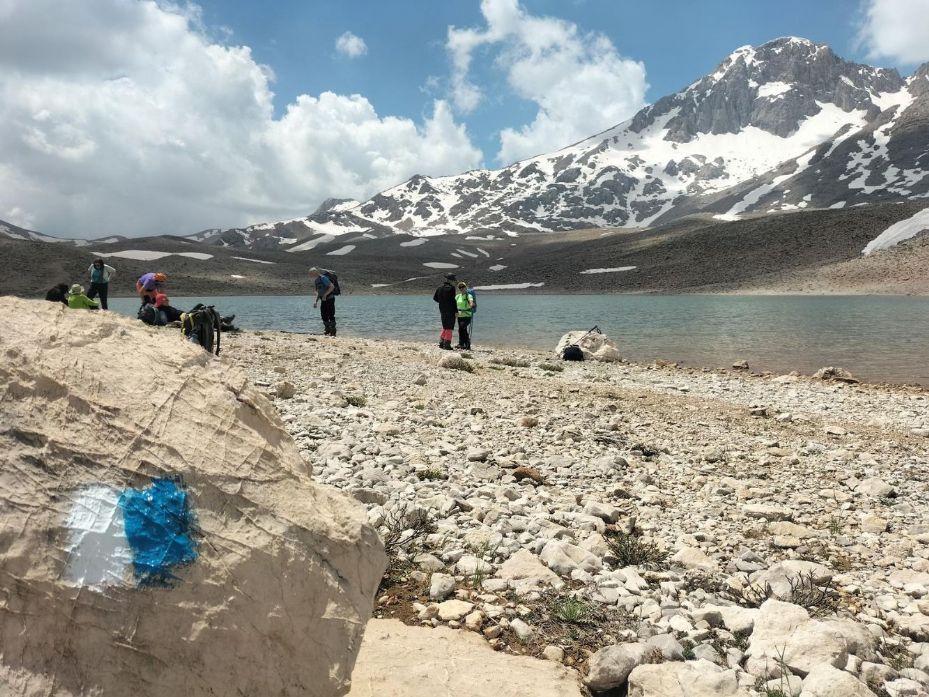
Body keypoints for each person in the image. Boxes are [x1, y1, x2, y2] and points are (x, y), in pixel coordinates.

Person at [433, 273, 457, 350]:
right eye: (453, 280)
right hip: (450, 310)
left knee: (445, 326)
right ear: (450, 280)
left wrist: (442, 303)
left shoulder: (439, 288)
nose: (454, 281)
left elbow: (435, 298)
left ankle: (441, 342)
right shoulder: (452, 288)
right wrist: (456, 311)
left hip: (442, 310)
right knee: (449, 327)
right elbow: (453, 301)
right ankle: (447, 344)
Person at [310, 267, 336, 336]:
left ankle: (333, 332)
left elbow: (332, 286)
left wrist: (325, 295)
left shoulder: (323, 278)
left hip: (330, 298)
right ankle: (327, 330)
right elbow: (318, 292)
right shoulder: (316, 281)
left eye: (311, 273)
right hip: (323, 300)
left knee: (330, 315)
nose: (311, 275)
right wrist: (316, 301)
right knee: (323, 315)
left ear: (315, 272)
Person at [455, 281, 475, 350]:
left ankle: (466, 344)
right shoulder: (457, 296)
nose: (461, 288)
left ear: (465, 287)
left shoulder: (469, 295)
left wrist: (471, 304)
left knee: (461, 328)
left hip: (467, 315)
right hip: (459, 315)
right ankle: (462, 344)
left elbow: (471, 301)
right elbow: (454, 304)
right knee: (462, 330)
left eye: (463, 287)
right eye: (460, 287)